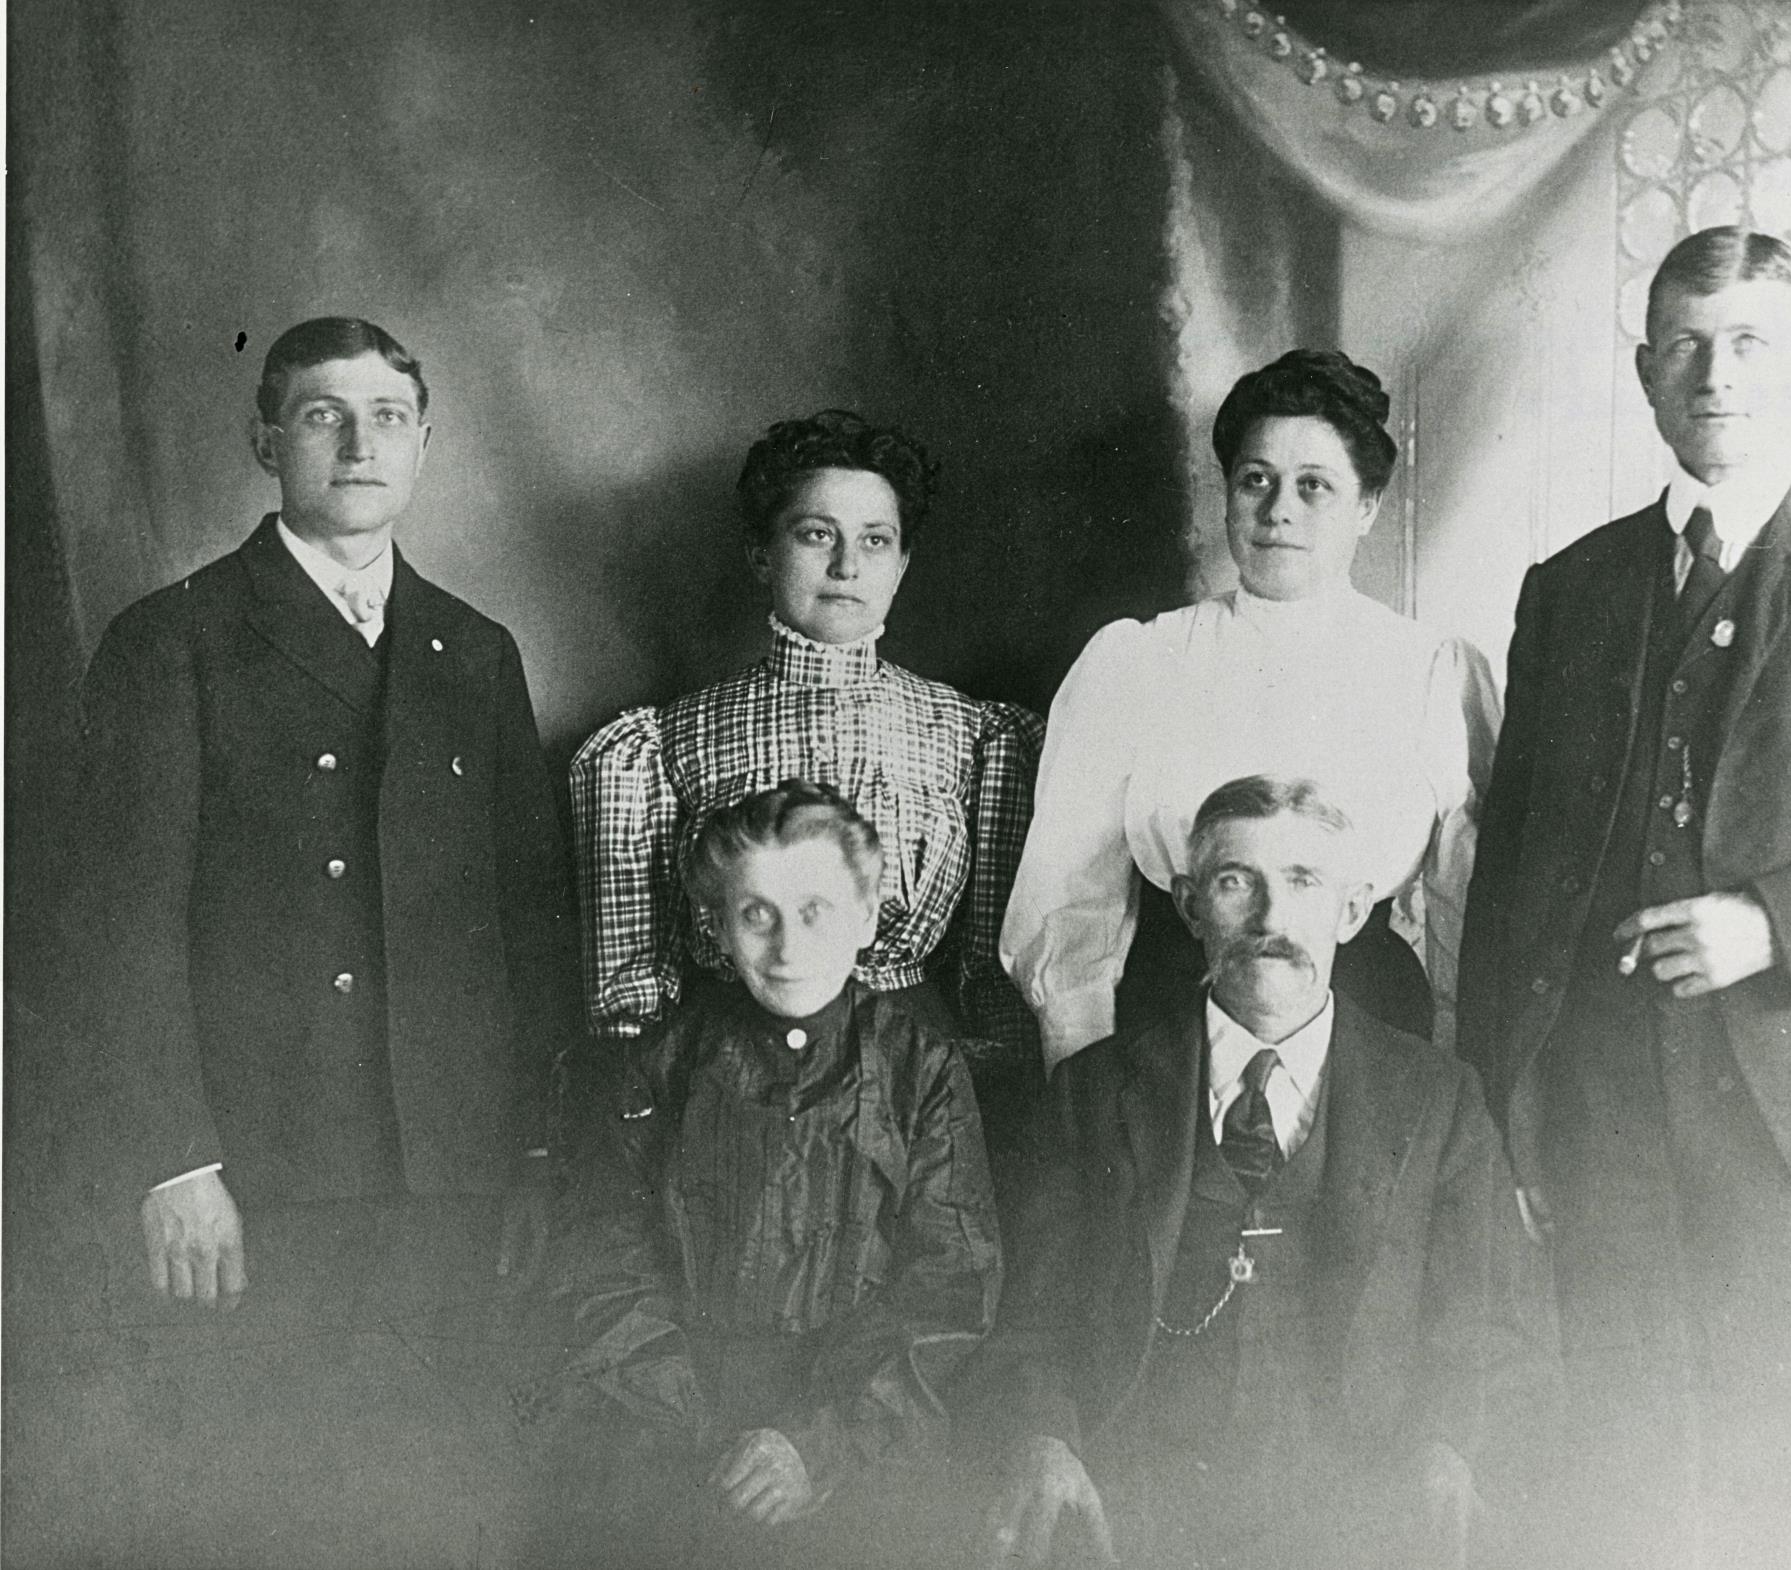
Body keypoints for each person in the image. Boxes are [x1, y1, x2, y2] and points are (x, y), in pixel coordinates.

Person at [1458, 227, 1791, 1566]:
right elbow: (1512, 867)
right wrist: (1504, 1098)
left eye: (1752, 341)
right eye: (1688, 345)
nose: (1719, 374)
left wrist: (1770, 923)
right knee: (1620, 1464)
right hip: (1600, 1106)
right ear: (1645, 374)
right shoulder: (1569, 588)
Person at [61, 316, 579, 1561]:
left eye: (388, 416)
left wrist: (540, 1146)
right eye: (320, 415)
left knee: (452, 1501)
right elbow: (116, 930)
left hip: (452, 1170)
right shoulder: (172, 638)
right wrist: (174, 1163)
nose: (358, 443)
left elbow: (530, 921)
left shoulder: (475, 646)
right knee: (283, 1505)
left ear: (424, 445)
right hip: (262, 1176)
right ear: (264, 442)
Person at [968, 776, 1553, 1570]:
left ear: (1352, 911)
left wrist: (1450, 1448)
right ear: (1188, 905)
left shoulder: (1438, 1100)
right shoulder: (1093, 1092)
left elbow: (1497, 1331)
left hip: (1365, 1516)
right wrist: (1044, 1438)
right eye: (1236, 881)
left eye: (1304, 882)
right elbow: (1027, 1321)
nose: (1272, 920)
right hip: (1139, 1516)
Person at [527, 780, 1002, 1570]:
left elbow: (953, 1285)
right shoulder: (659, 1066)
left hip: (861, 1441)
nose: (787, 948)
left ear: (867, 913)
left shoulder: (921, 1067)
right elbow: (605, 1267)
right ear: (716, 927)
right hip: (675, 1436)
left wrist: (817, 1448)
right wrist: (708, 1444)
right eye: (757, 915)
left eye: (815, 911)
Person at [1001, 349, 1497, 1068]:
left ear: (1367, 507)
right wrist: (1087, 1083)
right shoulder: (1139, 662)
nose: (1278, 510)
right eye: (1255, 480)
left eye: (1314, 486)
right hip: (1169, 1028)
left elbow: (1464, 905)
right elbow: (1069, 900)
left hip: (1371, 1030)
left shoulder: (1432, 672)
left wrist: (1450, 1080)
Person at [569, 409, 1043, 1144]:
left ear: (902, 563)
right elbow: (633, 1000)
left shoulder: (977, 738)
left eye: (875, 541)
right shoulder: (660, 745)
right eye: (816, 534)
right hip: (726, 1089)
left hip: (914, 1086)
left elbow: (993, 984)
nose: (847, 566)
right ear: (762, 553)